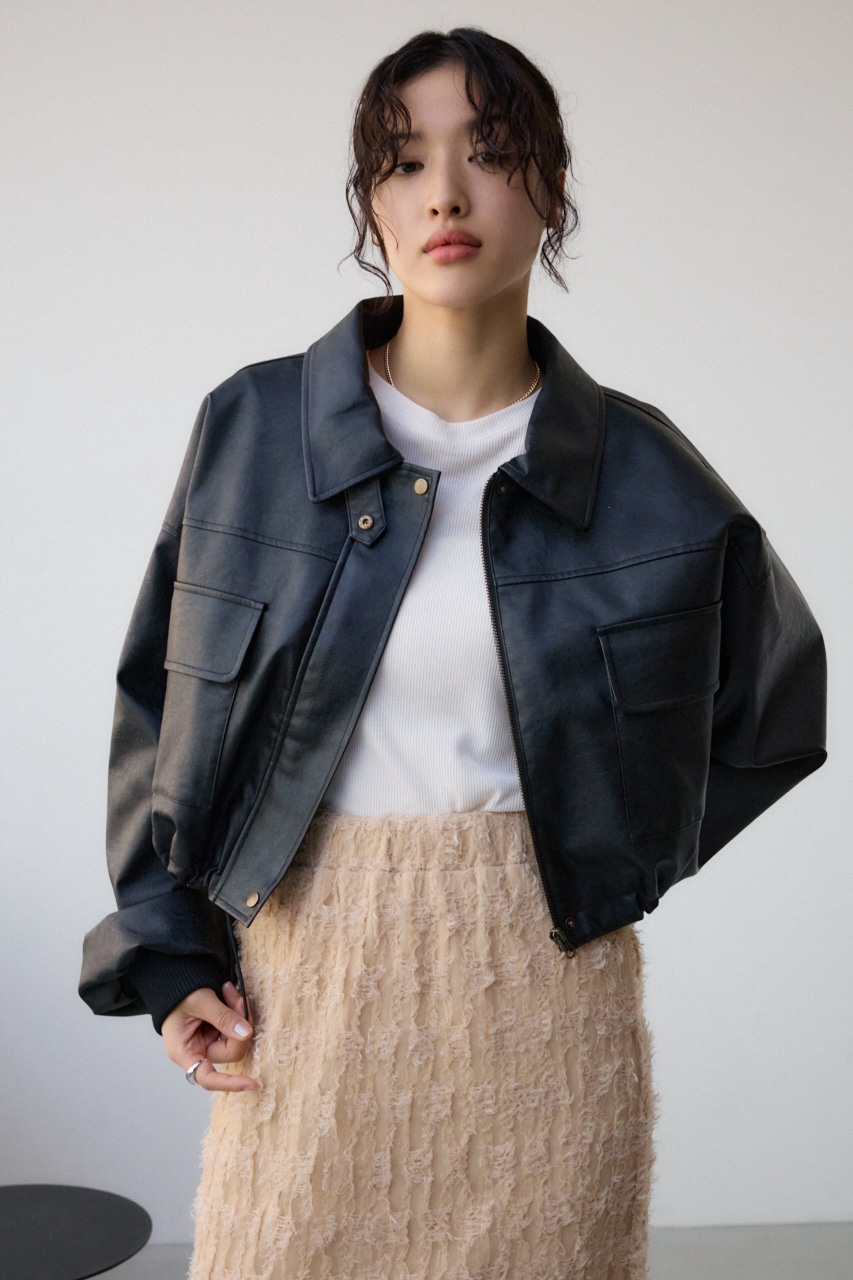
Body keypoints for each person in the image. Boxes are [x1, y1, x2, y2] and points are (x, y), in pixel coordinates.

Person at [78, 26, 827, 1280]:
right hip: (302, 986)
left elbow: (775, 713)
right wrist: (169, 952)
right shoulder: (256, 426)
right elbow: (159, 703)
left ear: (551, 186)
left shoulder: (643, 469)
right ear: (369, 200)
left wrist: (608, 854)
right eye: (404, 159)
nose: (444, 193)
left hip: (549, 1010)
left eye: (488, 152)